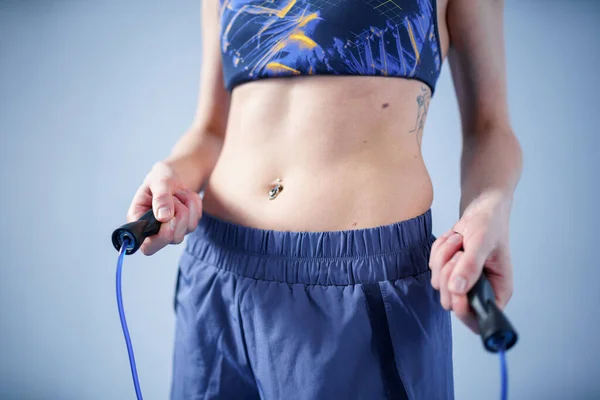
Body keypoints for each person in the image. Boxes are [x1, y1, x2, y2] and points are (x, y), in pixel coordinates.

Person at [126, 0, 522, 398]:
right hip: (216, 271)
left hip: (359, 282)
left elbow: (489, 127)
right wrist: (174, 173)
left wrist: (489, 206)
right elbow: (210, 128)